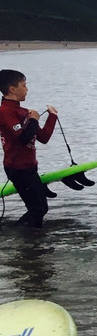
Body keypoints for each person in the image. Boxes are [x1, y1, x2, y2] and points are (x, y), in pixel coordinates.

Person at [0, 69, 58, 229]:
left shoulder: (24, 112)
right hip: (16, 168)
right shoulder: (5, 112)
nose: (27, 89)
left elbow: (44, 137)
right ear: (12, 89)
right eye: (24, 85)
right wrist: (33, 120)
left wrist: (52, 116)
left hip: (30, 167)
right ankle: (26, 241)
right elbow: (23, 138)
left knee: (41, 208)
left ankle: (28, 242)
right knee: (37, 208)